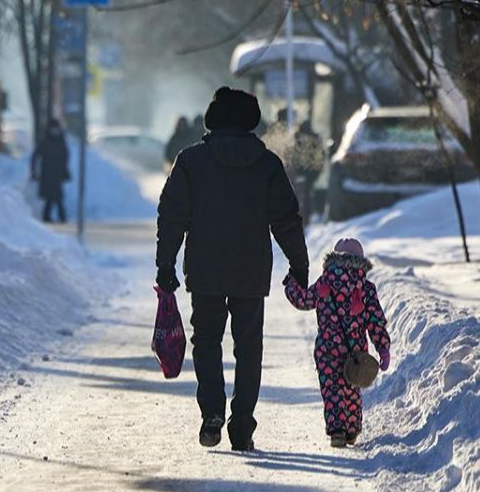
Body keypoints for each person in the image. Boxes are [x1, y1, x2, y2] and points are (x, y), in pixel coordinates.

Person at [156, 86, 309, 451]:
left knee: (207, 341)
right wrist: (299, 264)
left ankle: (212, 411)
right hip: (251, 271)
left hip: (206, 269)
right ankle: (242, 426)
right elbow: (286, 218)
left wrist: (166, 264)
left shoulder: (191, 161)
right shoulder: (268, 164)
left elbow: (172, 215)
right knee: (249, 347)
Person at [284, 237, 390, 448]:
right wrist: (383, 348)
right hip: (355, 353)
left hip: (327, 349)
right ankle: (351, 429)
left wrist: (291, 284)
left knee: (331, 389)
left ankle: (336, 431)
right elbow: (375, 321)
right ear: (360, 261)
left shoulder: (325, 283)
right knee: (351, 389)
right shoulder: (366, 289)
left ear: (333, 260)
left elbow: (303, 301)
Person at [32, 121, 70, 223]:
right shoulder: (45, 142)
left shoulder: (61, 142)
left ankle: (58, 217)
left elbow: (65, 158)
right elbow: (35, 157)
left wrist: (65, 171)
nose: (54, 131)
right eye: (53, 129)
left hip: (57, 174)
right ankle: (53, 217)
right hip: (47, 174)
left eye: (56, 129)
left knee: (57, 197)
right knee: (51, 197)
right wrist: (34, 172)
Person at [287, 120, 326, 219]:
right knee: (306, 195)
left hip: (301, 173)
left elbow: (292, 155)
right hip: (309, 173)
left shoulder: (298, 138)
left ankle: (302, 215)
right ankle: (306, 215)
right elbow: (321, 157)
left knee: (300, 195)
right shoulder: (315, 138)